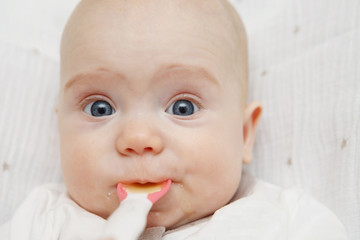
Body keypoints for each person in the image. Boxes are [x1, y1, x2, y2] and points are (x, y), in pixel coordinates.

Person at [0, 0, 348, 239]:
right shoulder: (40, 221)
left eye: (183, 107)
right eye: (99, 109)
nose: (137, 137)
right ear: (59, 130)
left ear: (243, 134)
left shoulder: (285, 219)